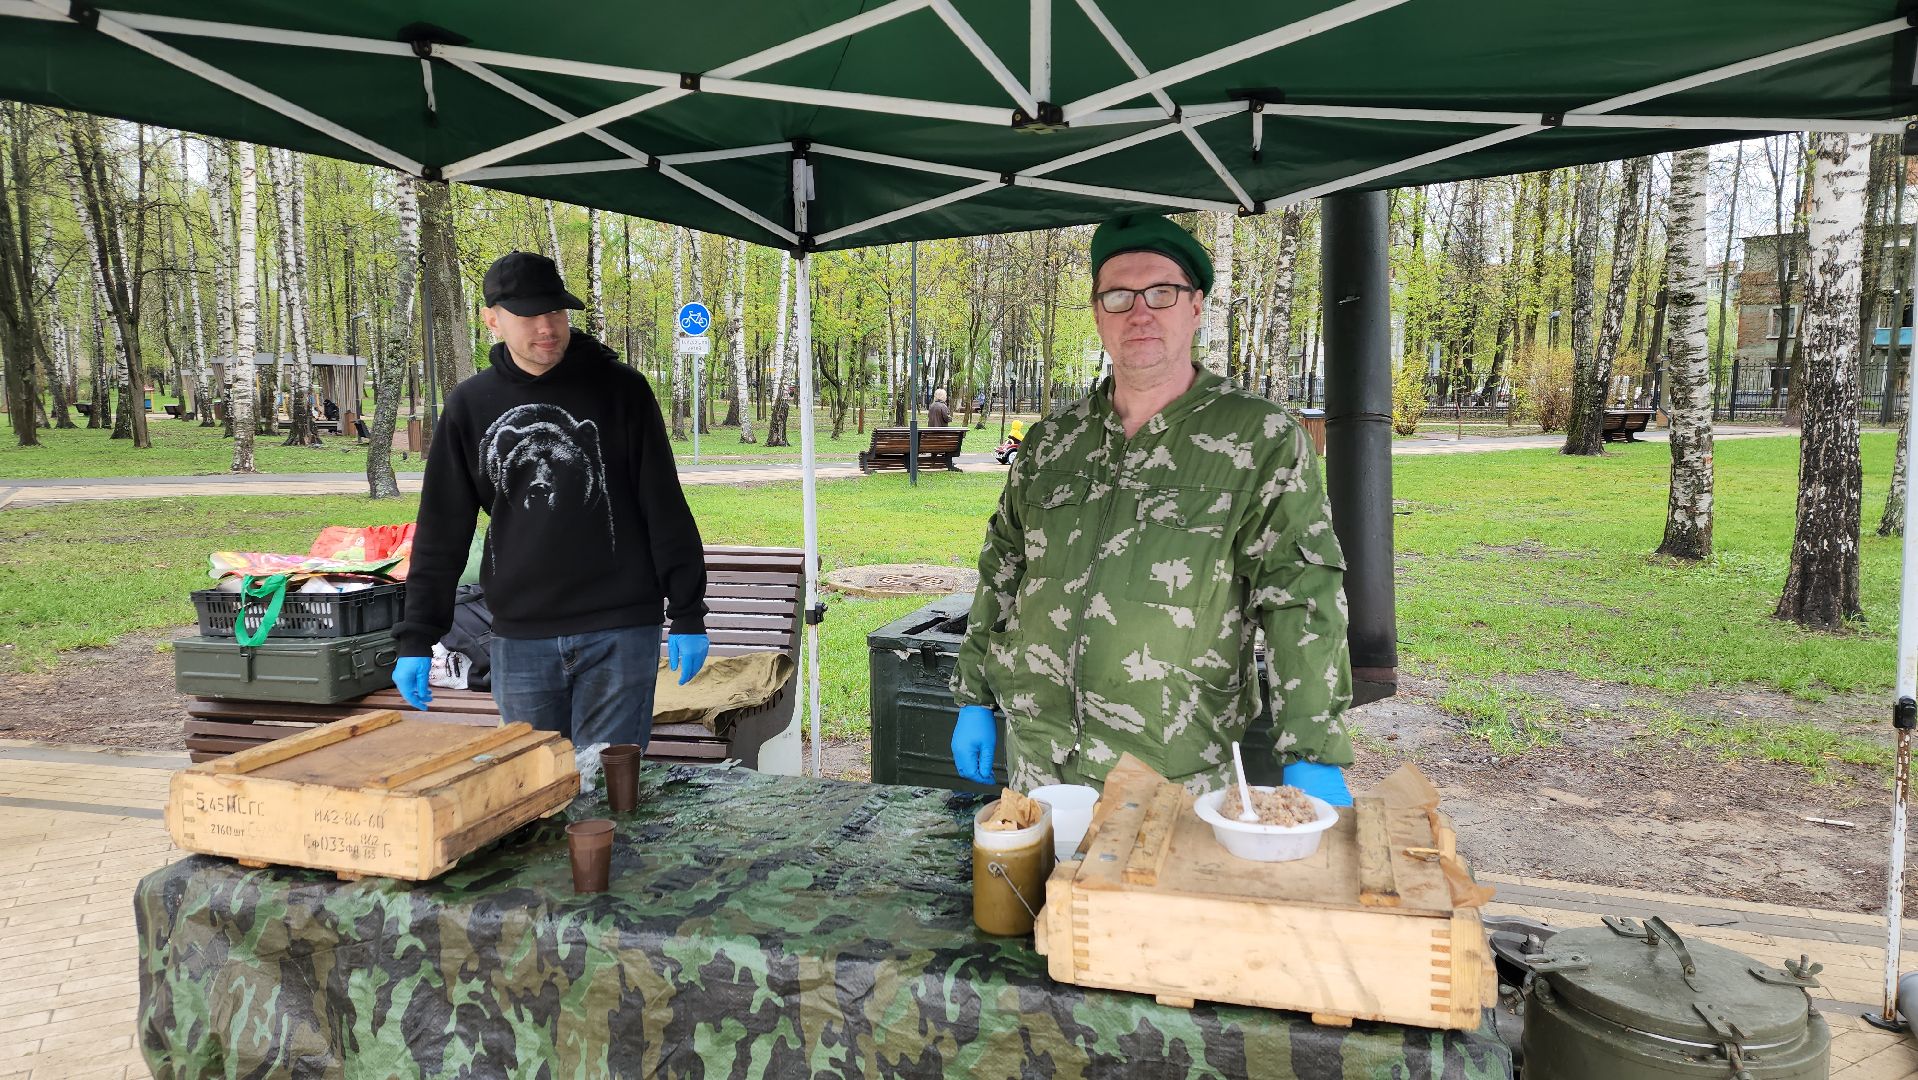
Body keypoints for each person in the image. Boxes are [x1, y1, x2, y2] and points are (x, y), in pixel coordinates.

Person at [948, 213, 1355, 805]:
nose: (1139, 312)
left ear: (1195, 307)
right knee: (1045, 899)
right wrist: (974, 697)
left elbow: (1302, 594)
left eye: (1161, 292)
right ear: (1097, 314)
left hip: (1173, 769)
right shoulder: (1054, 441)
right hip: (1040, 761)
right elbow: (1004, 569)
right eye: (1117, 295)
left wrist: (1312, 750)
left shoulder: (1259, 439)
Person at [389, 251, 710, 749]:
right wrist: (417, 636)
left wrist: (688, 612)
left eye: (556, 312)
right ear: (491, 318)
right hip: (520, 635)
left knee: (608, 791)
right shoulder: (470, 405)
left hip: (621, 628)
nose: (547, 327)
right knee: (540, 791)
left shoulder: (621, 390)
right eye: (529, 315)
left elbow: (663, 503)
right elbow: (442, 528)